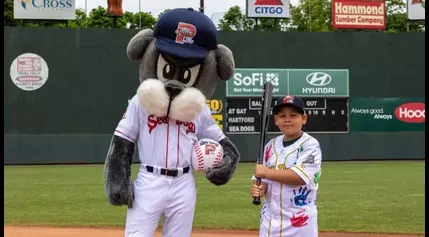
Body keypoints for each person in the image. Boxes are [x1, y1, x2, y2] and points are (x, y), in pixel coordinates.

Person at [251, 95, 322, 237]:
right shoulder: (270, 146)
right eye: (282, 115)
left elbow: (300, 177)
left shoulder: (310, 145)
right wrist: (259, 188)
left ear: (304, 118)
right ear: (276, 120)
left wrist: (266, 173)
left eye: (293, 115)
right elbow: (261, 179)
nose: (287, 119)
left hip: (300, 220)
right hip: (270, 218)